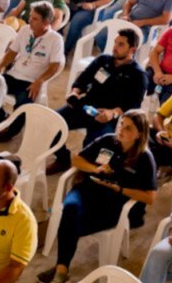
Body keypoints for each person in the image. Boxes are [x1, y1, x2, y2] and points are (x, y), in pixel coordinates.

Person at [37, 110, 156, 283]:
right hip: (86, 190)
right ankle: (62, 270)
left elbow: (150, 197)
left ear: (139, 134)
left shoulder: (145, 158)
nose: (121, 130)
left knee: (70, 224)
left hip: (112, 203)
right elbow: (77, 160)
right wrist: (95, 169)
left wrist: (120, 189)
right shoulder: (108, 140)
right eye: (121, 124)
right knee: (70, 209)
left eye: (128, 128)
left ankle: (61, 269)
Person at [47, 30, 148, 175]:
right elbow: (82, 80)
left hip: (108, 118)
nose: (115, 47)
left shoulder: (138, 75)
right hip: (86, 107)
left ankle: (85, 171)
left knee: (97, 148)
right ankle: (63, 159)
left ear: (132, 50)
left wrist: (112, 113)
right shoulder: (103, 60)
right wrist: (74, 93)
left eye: (121, 44)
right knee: (51, 123)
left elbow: (133, 107)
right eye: (115, 42)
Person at [0, 1, 66, 141]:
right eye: (30, 17)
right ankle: (2, 117)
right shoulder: (25, 30)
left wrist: (39, 81)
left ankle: (12, 131)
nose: (29, 20)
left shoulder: (55, 39)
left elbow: (55, 66)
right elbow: (12, 53)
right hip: (14, 74)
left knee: (23, 102)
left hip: (31, 81)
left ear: (46, 22)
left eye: (34, 19)